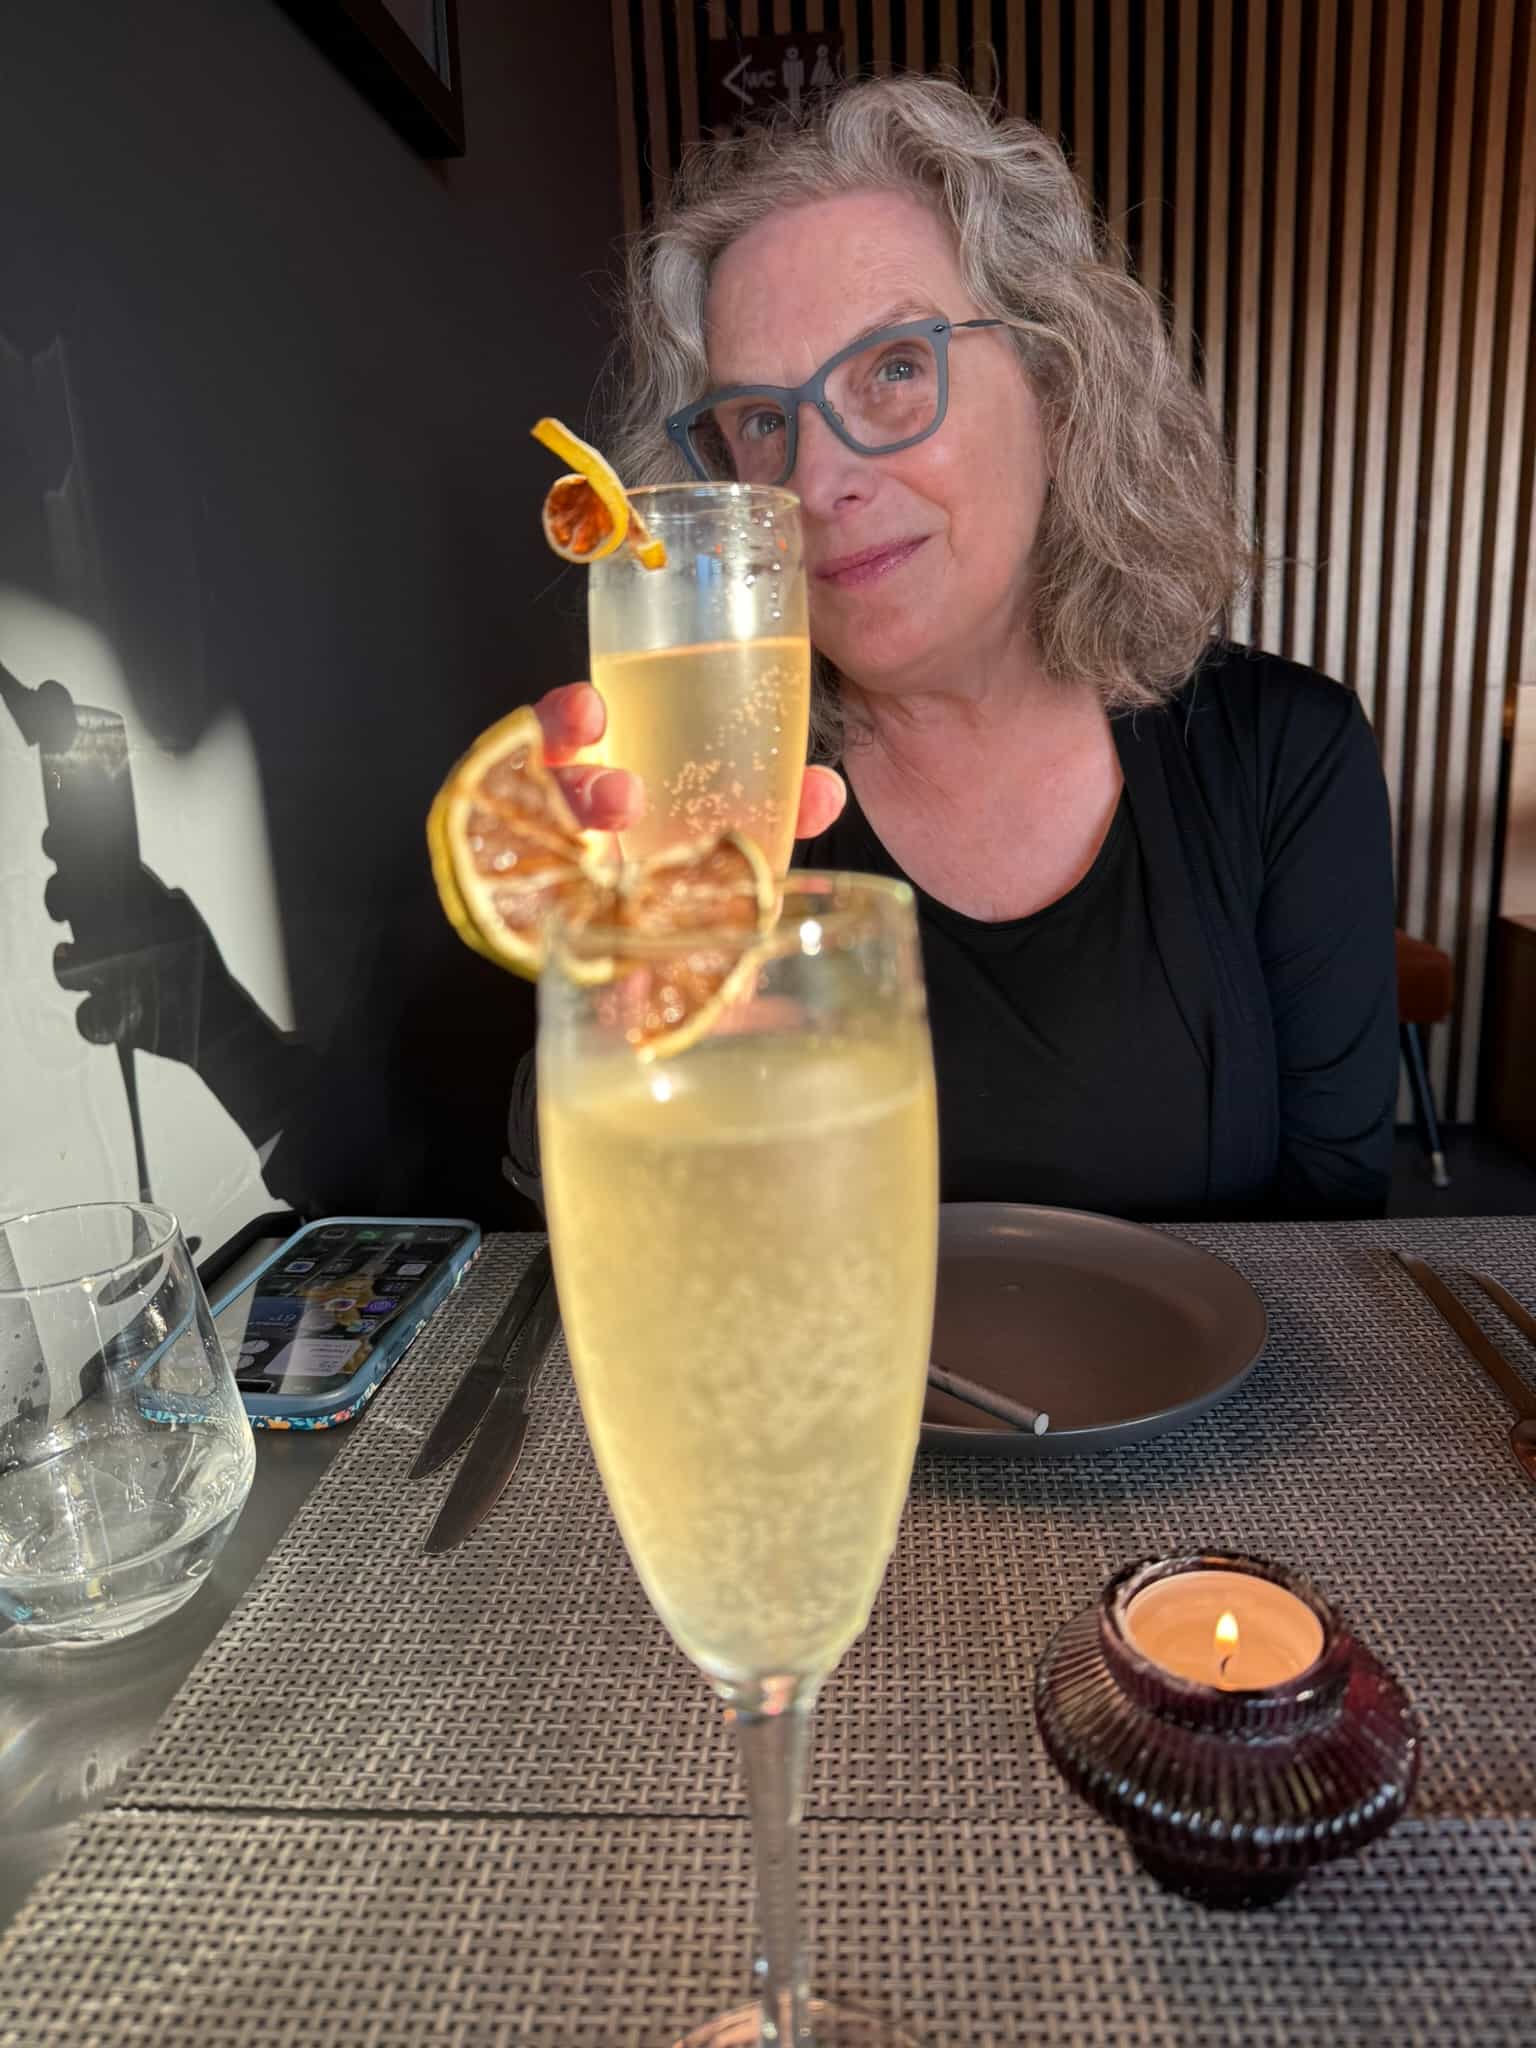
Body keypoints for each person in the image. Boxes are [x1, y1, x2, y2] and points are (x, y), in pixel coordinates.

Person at [506, 75, 1398, 1222]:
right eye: (764, 420)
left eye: (894, 368)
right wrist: (609, 1000)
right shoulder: (706, 791)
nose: (819, 480)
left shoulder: (1283, 754)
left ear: (1058, 390)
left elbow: (1335, 1235)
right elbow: (611, 1219)